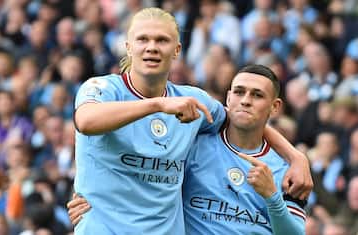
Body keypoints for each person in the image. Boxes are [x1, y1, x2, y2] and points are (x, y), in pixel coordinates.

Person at [71, 7, 312, 235]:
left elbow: (240, 117)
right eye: (143, 39)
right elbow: (85, 120)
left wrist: (295, 157)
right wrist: (157, 104)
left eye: (162, 40)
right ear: (128, 47)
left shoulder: (192, 100)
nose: (151, 47)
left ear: (177, 50)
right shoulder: (101, 88)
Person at [182, 65, 305, 234]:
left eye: (257, 95)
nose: (246, 100)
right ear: (228, 98)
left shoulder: (289, 171)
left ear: (275, 107)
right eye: (239, 92)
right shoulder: (194, 145)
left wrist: (272, 197)